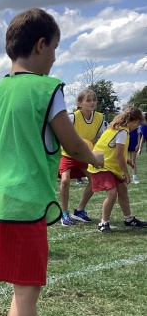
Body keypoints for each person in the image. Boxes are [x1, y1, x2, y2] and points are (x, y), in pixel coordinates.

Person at [0, 8, 103, 316]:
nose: (56, 57)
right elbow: (72, 144)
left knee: (23, 283)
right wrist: (95, 157)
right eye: (56, 48)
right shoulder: (48, 89)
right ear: (41, 44)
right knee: (26, 289)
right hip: (22, 205)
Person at [87, 106, 146, 232]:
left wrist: (127, 160)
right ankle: (103, 223)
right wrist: (126, 173)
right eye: (138, 125)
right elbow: (118, 155)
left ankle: (129, 219)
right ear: (136, 122)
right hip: (103, 166)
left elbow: (112, 150)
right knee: (112, 194)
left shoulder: (115, 128)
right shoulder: (122, 131)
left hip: (108, 165)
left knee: (123, 189)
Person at [58, 89, 106, 225]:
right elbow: (61, 133)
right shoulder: (72, 117)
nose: (92, 103)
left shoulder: (100, 118)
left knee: (94, 180)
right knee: (65, 181)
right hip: (68, 153)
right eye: (88, 100)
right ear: (79, 103)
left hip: (84, 154)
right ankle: (64, 213)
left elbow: (99, 137)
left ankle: (80, 210)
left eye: (94, 100)